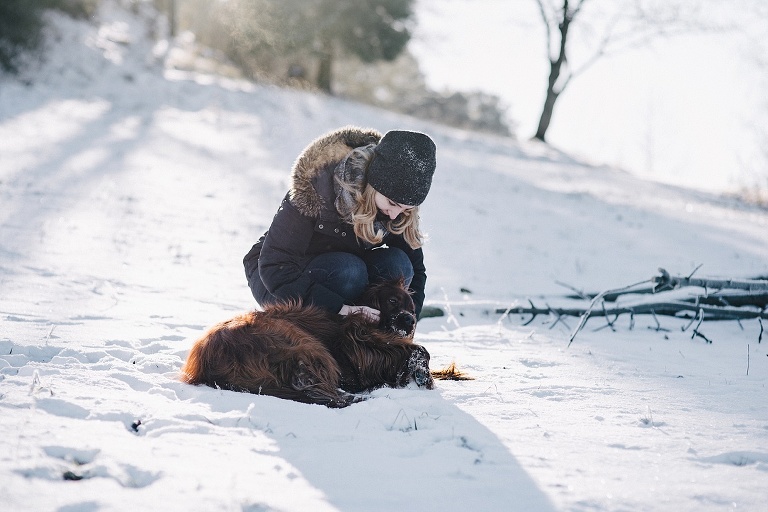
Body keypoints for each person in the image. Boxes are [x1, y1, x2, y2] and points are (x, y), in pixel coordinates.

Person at [243, 126, 436, 322]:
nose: (395, 215)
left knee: (398, 265)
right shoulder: (317, 185)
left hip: (342, 274)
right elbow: (274, 265)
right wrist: (341, 309)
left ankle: (371, 329)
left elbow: (416, 268)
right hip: (279, 279)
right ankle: (335, 322)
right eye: (392, 204)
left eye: (406, 209)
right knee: (350, 271)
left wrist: (410, 319)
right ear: (374, 185)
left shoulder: (396, 209)